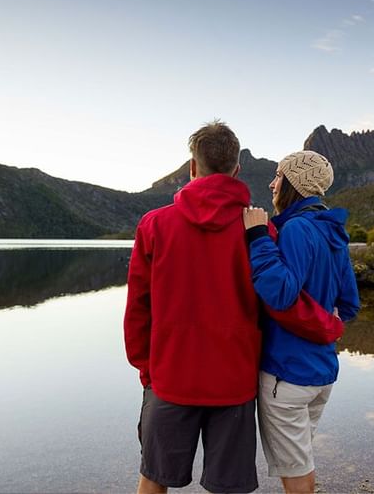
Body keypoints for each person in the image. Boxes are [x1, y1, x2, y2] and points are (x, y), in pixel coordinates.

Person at [124, 122, 342, 494]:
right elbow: (281, 305)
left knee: (154, 480)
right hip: (234, 384)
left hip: (170, 376)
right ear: (236, 169)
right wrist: (330, 325)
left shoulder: (155, 224)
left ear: (193, 167)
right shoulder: (258, 230)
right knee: (229, 488)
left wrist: (148, 370)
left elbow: (138, 311)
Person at [243, 150, 361, 494]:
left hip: (288, 375)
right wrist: (329, 317)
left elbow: (280, 293)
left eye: (278, 175)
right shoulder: (332, 231)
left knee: (296, 471)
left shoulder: (295, 229)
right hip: (321, 373)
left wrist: (258, 238)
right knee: (302, 460)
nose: (272, 183)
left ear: (294, 182)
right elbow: (350, 304)